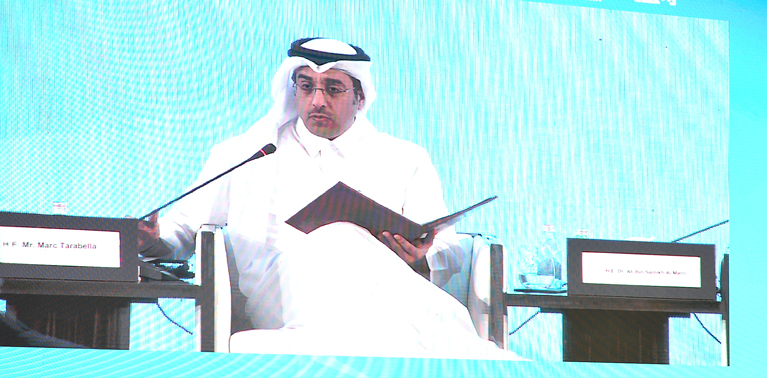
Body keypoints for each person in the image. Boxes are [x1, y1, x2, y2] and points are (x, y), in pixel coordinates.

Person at [139, 37, 509, 360]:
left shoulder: (405, 158)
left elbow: (446, 244)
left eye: (333, 89)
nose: (317, 100)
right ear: (293, 89)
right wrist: (153, 239)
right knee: (338, 236)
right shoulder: (248, 152)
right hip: (278, 298)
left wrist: (423, 258)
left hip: (382, 295)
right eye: (306, 86)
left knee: (346, 241)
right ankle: (469, 352)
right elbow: (183, 229)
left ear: (360, 97)